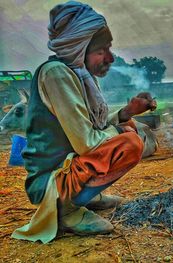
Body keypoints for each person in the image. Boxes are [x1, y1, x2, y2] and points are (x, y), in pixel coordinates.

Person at [12, 1, 158, 243]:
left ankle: (85, 196)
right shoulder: (56, 73)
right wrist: (120, 129)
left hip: (69, 168)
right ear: (79, 47)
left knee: (128, 130)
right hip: (48, 181)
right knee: (130, 144)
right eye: (101, 50)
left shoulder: (78, 75)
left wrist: (126, 113)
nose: (109, 57)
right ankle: (67, 210)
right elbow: (87, 143)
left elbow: (93, 128)